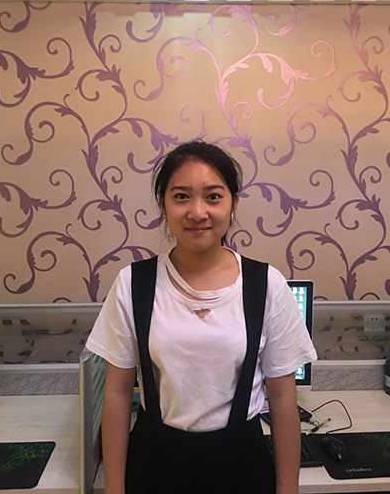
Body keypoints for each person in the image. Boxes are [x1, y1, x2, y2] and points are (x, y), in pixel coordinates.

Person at [86, 140, 317, 494]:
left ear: (233, 203)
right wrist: (114, 490)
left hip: (242, 465)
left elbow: (283, 399)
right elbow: (117, 394)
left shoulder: (266, 284)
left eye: (213, 197)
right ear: (163, 203)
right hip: (155, 464)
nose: (197, 212)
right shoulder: (133, 284)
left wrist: (288, 490)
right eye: (181, 196)